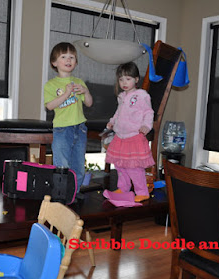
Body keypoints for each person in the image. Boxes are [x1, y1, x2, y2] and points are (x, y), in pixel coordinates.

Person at [44, 42, 93, 193]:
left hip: (80, 128)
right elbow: (50, 106)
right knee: (62, 164)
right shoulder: (51, 84)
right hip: (62, 129)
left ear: (76, 62)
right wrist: (65, 94)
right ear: (54, 62)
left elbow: (89, 103)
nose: (68, 60)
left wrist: (85, 92)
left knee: (78, 165)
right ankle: (60, 194)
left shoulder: (79, 82)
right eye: (63, 57)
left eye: (72, 57)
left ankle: (75, 193)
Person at [105, 62, 155, 202]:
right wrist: (112, 121)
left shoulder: (141, 95)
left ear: (136, 79)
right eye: (121, 79)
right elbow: (118, 112)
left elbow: (148, 112)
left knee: (134, 167)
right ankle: (124, 187)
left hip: (134, 136)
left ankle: (142, 191)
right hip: (120, 137)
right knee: (120, 165)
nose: (124, 82)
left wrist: (146, 125)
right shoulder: (121, 97)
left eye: (128, 79)